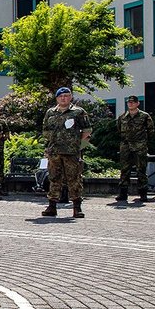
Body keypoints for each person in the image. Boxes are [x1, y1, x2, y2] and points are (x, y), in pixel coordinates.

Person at [41, 87, 92, 218]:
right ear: (57, 98)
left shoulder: (78, 112)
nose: (63, 98)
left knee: (74, 179)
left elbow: (87, 131)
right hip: (55, 151)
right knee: (54, 178)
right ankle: (52, 206)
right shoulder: (50, 112)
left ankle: (77, 207)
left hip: (72, 152)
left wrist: (79, 146)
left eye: (66, 96)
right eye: (61, 96)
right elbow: (45, 131)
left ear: (70, 97)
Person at [116, 95, 155, 202]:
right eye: (129, 102)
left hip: (140, 146)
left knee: (141, 170)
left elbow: (151, 131)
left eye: (133, 102)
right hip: (126, 146)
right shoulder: (122, 116)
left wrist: (142, 141)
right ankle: (123, 194)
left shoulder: (144, 116)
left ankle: (143, 194)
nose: (131, 104)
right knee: (124, 170)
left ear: (138, 103)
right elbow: (119, 129)